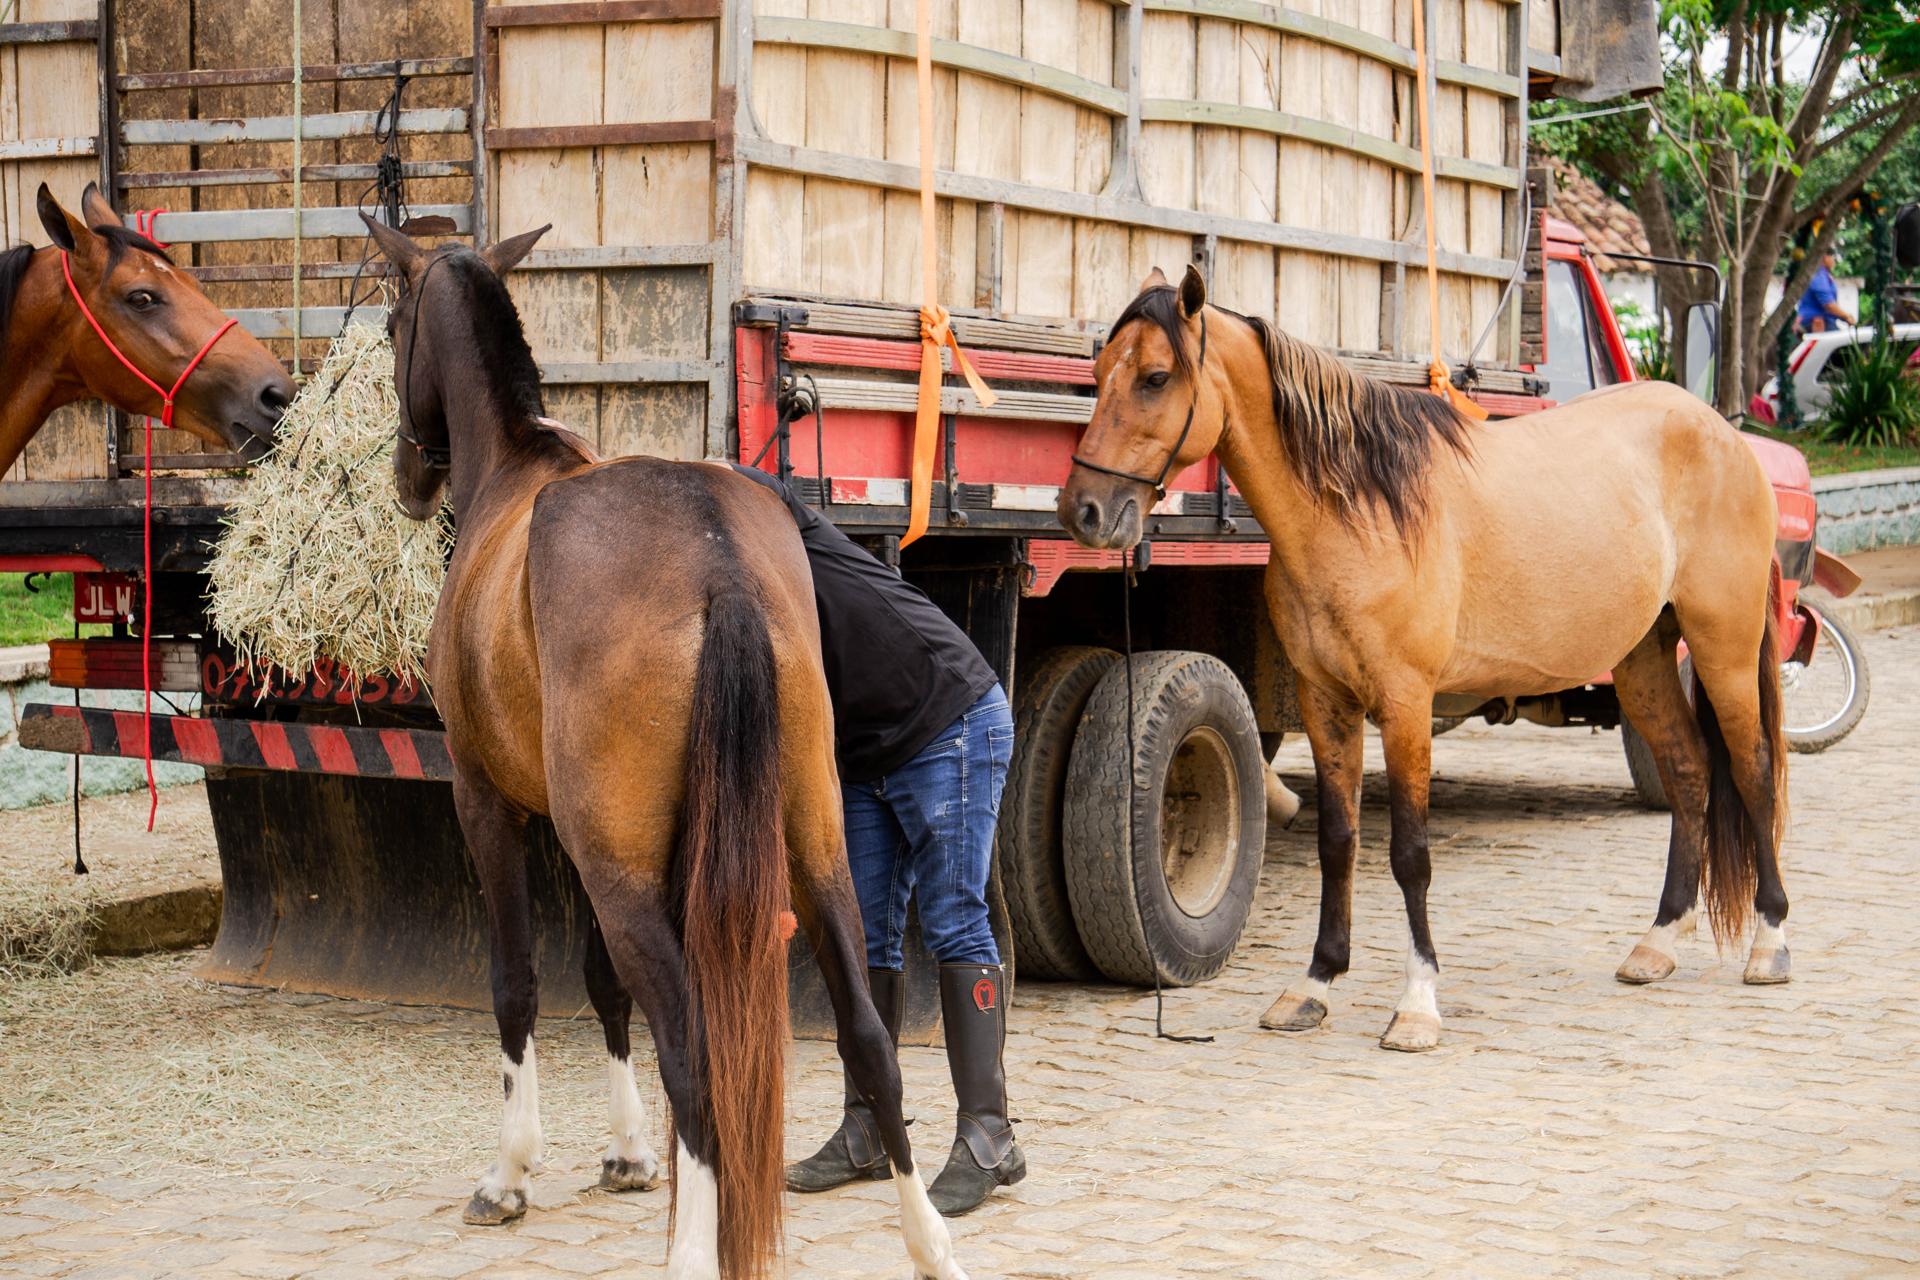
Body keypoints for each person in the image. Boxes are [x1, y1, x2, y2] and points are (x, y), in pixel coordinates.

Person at [733, 463, 1025, 1217]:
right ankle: (867, 1128)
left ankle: (990, 1136)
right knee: (862, 933)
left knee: (954, 918)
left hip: (949, 722)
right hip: (866, 756)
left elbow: (751, 485)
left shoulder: (776, 521)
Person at [1796, 250, 1854, 333]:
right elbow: (1829, 305)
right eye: (1832, 257)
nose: (1834, 261)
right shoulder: (1818, 275)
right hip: (1817, 324)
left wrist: (1844, 317)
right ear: (1825, 257)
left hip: (1824, 321)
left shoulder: (1822, 274)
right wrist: (1847, 316)